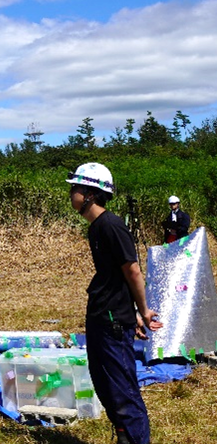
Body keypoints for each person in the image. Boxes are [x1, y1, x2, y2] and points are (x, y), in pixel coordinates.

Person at [67, 162, 163, 444]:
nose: (71, 193)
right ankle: (123, 435)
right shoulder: (96, 227)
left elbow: (132, 270)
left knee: (122, 390)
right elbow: (117, 277)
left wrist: (143, 311)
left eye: (75, 188)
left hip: (112, 322)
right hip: (103, 314)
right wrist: (132, 310)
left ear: (91, 194)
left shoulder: (112, 225)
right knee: (105, 383)